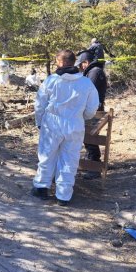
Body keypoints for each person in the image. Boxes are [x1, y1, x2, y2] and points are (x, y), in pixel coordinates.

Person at [31, 50, 99, 206]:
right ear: (74, 62)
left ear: (60, 62)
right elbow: (92, 107)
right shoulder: (86, 83)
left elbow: (40, 104)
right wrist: (82, 117)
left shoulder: (51, 81)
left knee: (47, 155)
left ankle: (41, 188)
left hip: (52, 123)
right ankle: (63, 196)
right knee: (70, 159)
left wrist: (39, 122)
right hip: (74, 124)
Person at [76, 50, 108, 173]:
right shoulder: (93, 71)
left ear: (86, 62)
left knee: (90, 138)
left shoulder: (94, 72)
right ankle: (92, 163)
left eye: (82, 64)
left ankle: (94, 167)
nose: (81, 67)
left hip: (94, 110)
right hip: (93, 109)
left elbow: (89, 93)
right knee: (88, 137)